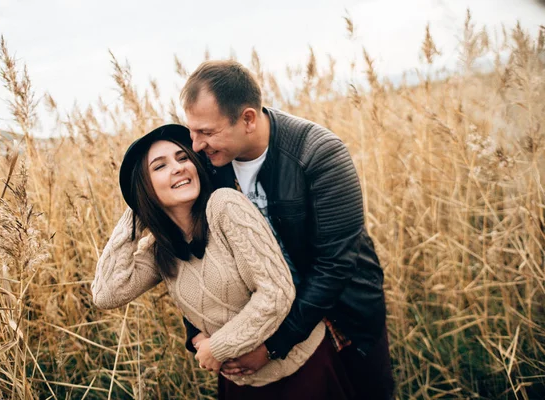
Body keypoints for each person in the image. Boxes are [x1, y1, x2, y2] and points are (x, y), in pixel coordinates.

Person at [180, 60, 394, 399]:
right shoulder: (207, 166)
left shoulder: (320, 154)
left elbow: (335, 265)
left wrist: (271, 347)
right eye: (192, 131)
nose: (195, 145)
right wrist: (199, 333)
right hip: (252, 328)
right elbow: (194, 254)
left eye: (206, 132)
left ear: (248, 119)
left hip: (342, 317)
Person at [91, 124, 355, 398]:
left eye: (183, 158)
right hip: (240, 384)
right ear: (145, 187)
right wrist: (135, 213)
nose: (179, 167)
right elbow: (106, 294)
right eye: (160, 167)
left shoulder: (224, 207)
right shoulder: (161, 250)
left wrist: (217, 348)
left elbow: (276, 293)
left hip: (300, 371)